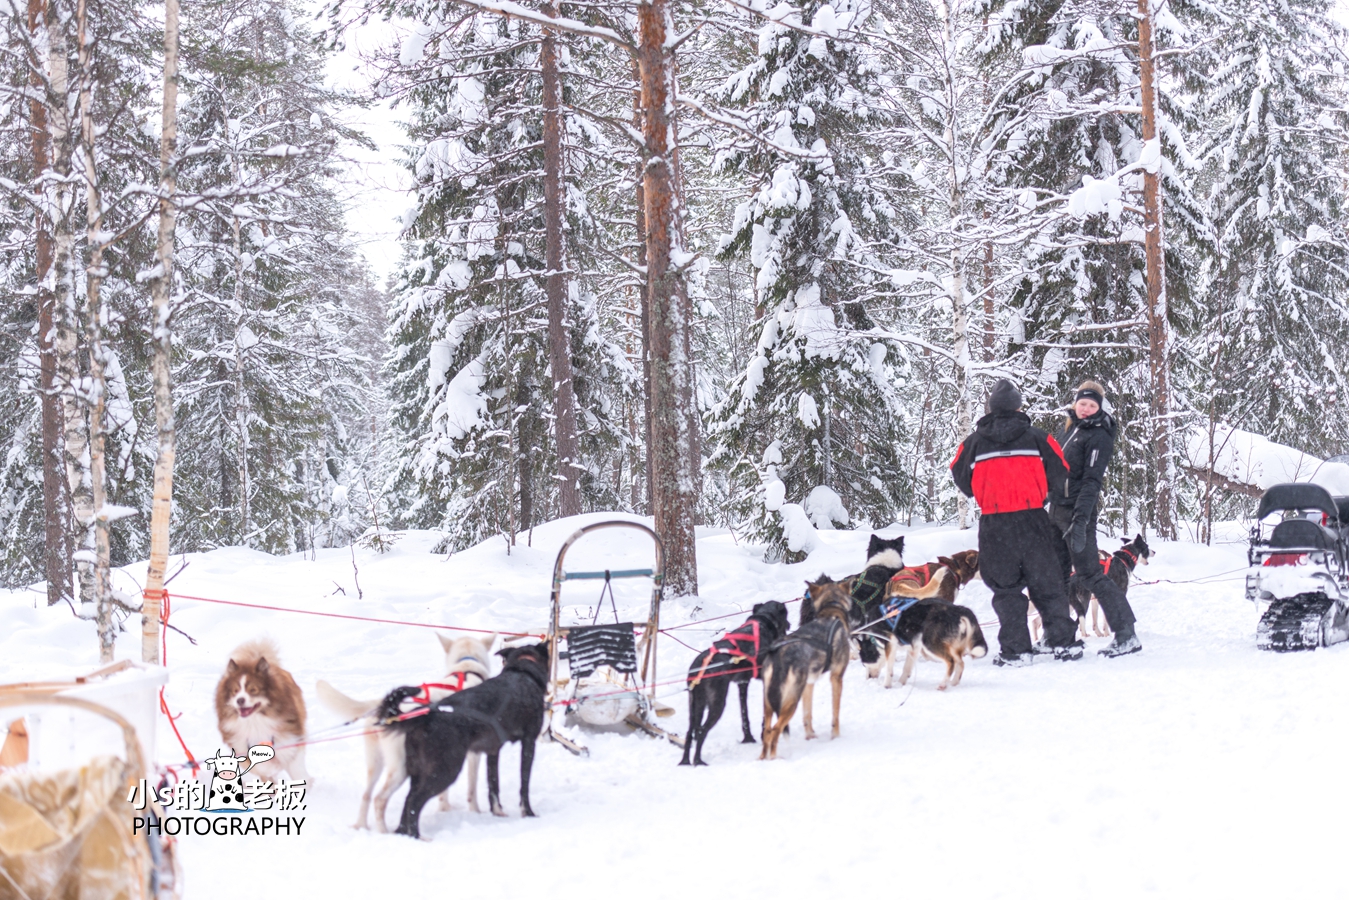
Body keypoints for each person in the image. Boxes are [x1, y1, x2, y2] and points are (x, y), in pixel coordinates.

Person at [950, 379, 1083, 666]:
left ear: (991, 409)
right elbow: (1062, 472)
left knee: (1006, 588)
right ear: (1018, 406)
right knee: (1047, 584)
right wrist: (1044, 495)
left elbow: (959, 474)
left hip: (994, 523)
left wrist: (981, 490)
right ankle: (1063, 642)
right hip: (1032, 519)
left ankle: (1015, 650)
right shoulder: (1038, 438)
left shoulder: (972, 443)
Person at [1048, 381, 1142, 657]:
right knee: (1057, 576)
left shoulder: (1098, 434)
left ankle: (1126, 633)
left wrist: (1080, 520)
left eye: (1092, 405)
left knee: (1090, 573)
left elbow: (1091, 481)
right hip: (1056, 510)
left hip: (1078, 514)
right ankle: (1060, 635)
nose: (1087, 409)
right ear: (1075, 404)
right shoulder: (1068, 429)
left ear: (1099, 407)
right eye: (1083, 404)